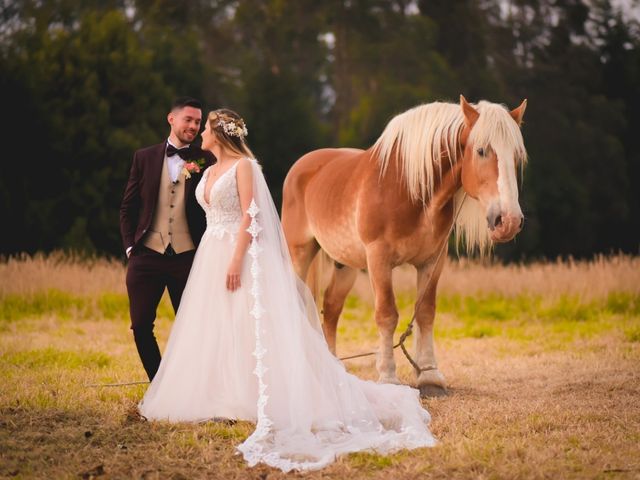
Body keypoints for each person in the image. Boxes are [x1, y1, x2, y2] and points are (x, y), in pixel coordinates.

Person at [138, 109, 436, 472]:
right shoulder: (208, 166)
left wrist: (236, 260)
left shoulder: (244, 167)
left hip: (237, 253)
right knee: (217, 324)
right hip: (210, 254)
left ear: (219, 133)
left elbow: (250, 214)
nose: (199, 133)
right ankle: (219, 390)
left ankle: (256, 394)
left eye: (205, 128)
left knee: (252, 323)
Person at [119, 97, 215, 381]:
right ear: (171, 119)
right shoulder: (144, 157)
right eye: (188, 120)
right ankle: (159, 384)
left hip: (187, 257)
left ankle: (192, 387)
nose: (194, 126)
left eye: (198, 122)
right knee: (140, 326)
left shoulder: (206, 159)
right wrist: (129, 247)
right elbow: (128, 206)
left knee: (193, 327)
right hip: (146, 254)